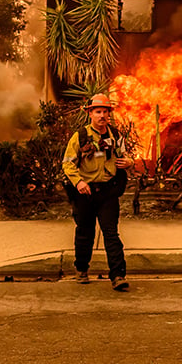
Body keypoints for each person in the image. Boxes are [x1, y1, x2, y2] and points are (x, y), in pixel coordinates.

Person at [62, 93, 134, 291]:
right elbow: (68, 164)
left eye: (105, 112)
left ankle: (118, 276)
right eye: (98, 111)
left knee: (111, 233)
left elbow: (125, 155)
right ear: (90, 114)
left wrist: (129, 162)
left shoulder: (115, 136)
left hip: (108, 192)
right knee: (85, 232)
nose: (102, 115)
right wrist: (78, 183)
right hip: (85, 192)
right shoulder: (81, 136)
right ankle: (82, 269)